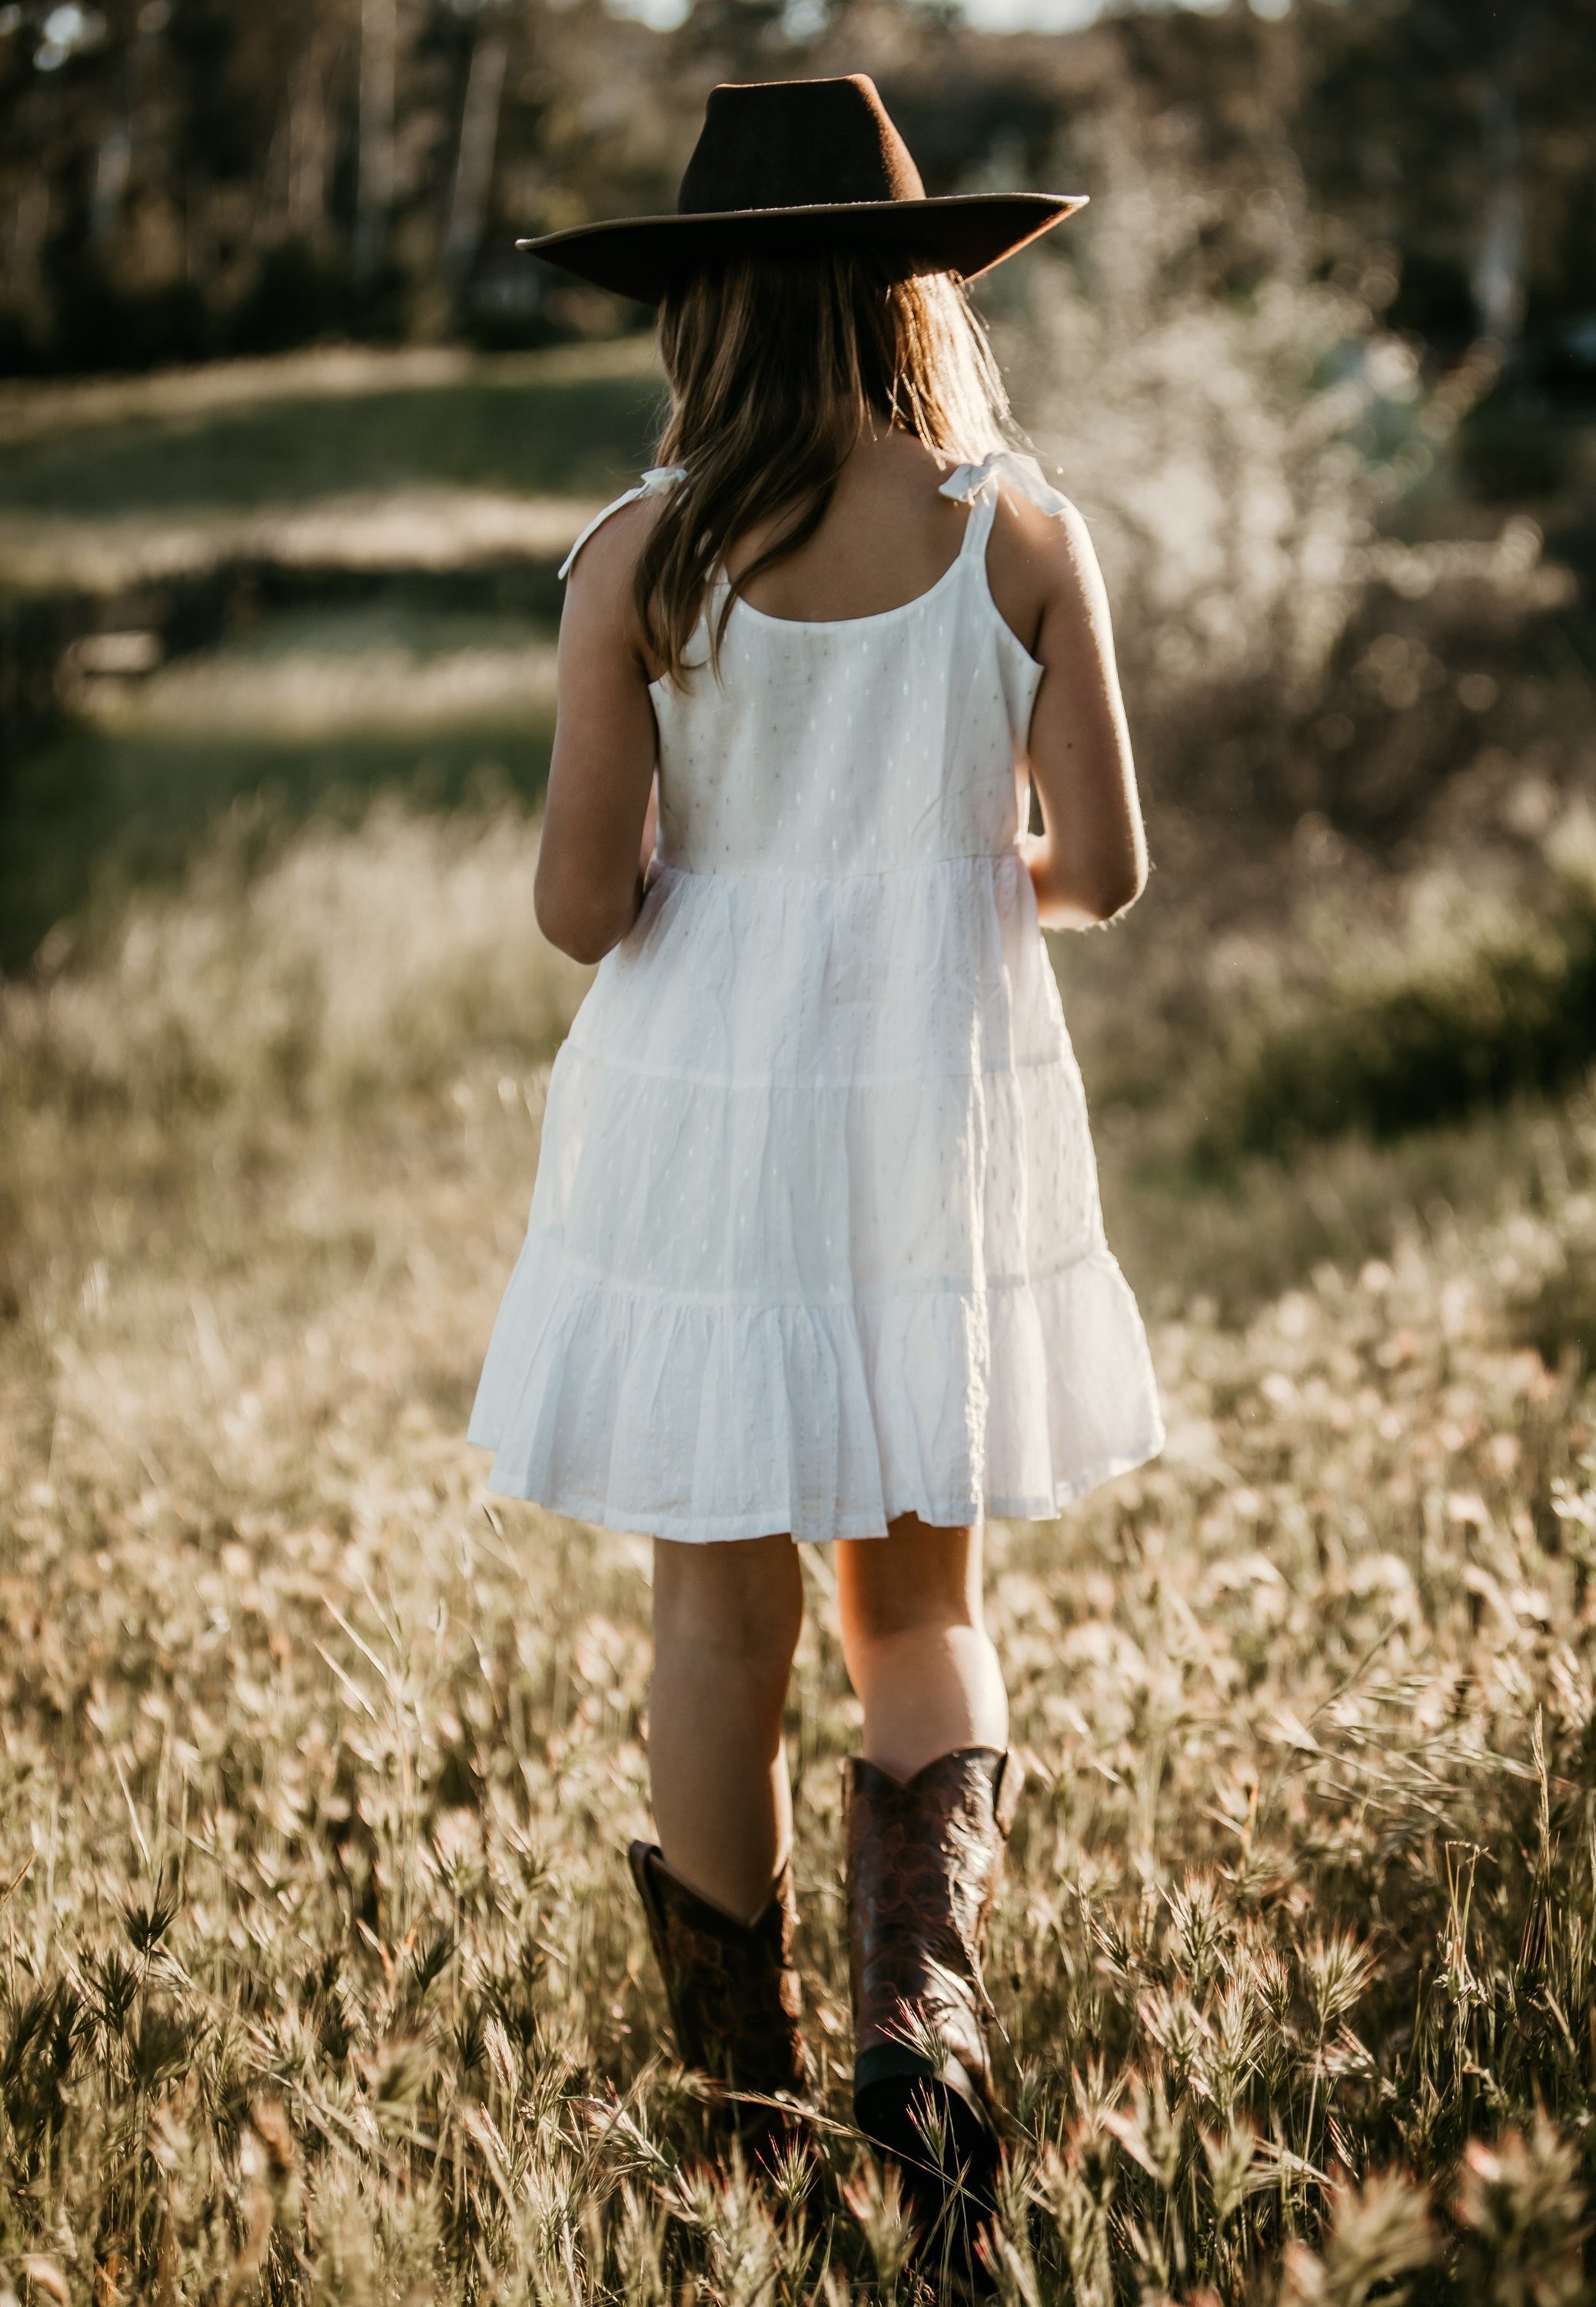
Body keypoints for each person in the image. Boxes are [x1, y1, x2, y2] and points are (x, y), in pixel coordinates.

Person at [468, 71, 1164, 2272]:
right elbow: (1110, 875)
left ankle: (735, 2119)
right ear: (911, 291)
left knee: (715, 1611)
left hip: (701, 1126)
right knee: (923, 1606)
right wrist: (942, 873)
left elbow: (585, 912)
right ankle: (927, 2035)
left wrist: (733, 842)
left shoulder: (637, 552)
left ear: (698, 312)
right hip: (936, 1107)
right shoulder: (1020, 530)